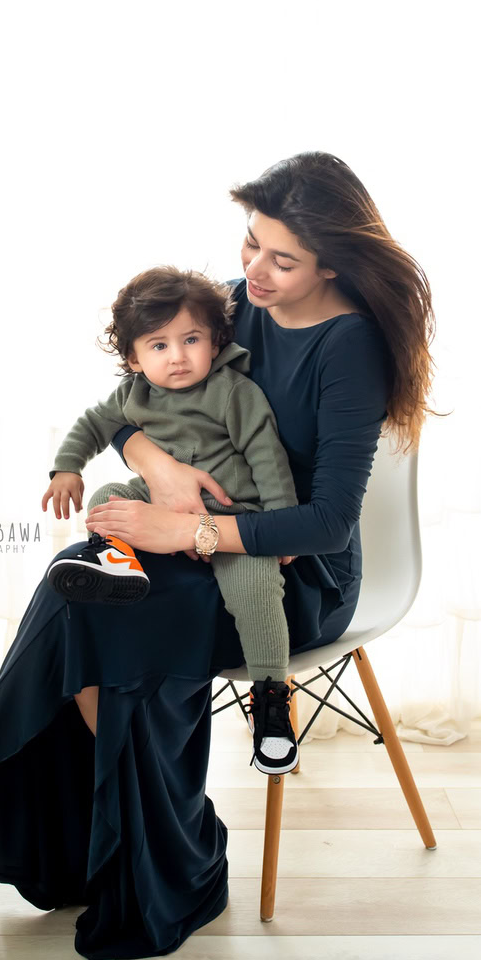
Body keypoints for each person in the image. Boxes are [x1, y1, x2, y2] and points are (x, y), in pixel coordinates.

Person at [0, 151, 440, 960]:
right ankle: (83, 825)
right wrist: (158, 468)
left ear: (334, 261)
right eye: (250, 243)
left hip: (290, 575)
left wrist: (182, 533)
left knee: (113, 614)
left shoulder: (349, 347)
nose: (252, 270)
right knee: (85, 579)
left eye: (280, 259)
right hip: (197, 533)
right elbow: (132, 396)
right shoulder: (235, 303)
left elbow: (328, 524)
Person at [43, 264, 303, 774]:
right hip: (158, 510)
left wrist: (281, 522)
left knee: (255, 589)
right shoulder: (132, 395)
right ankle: (114, 561)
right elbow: (93, 424)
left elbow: (267, 457)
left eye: (191, 340)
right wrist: (66, 467)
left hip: (233, 518)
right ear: (134, 357)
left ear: (215, 341)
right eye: (158, 345)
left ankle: (272, 698)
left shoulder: (233, 392)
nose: (178, 356)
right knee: (109, 496)